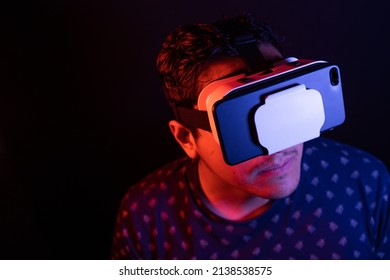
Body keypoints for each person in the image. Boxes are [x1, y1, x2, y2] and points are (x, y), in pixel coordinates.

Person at [111, 14, 390, 259]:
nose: (277, 147)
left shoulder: (363, 182)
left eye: (286, 109)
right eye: (243, 125)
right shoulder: (147, 216)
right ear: (186, 138)